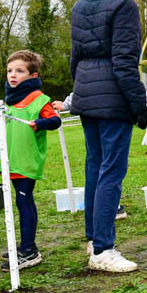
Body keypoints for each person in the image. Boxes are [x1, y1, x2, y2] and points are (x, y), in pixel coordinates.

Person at [70, 0, 147, 272]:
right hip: (114, 98)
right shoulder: (124, 5)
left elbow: (75, 60)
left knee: (94, 167)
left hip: (87, 96)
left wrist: (83, 91)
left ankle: (93, 240)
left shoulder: (80, 5)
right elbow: (125, 63)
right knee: (111, 171)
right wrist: (139, 105)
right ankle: (103, 248)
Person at [0, 50, 61, 271]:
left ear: (32, 75)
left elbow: (55, 120)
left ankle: (29, 250)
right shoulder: (9, 100)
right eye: (9, 70)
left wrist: (39, 124)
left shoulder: (38, 98)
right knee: (20, 201)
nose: (12, 75)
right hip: (11, 158)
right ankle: (26, 246)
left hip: (27, 159)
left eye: (19, 71)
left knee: (24, 201)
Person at [53, 93, 129, 221]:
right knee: (106, 164)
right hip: (109, 112)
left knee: (101, 165)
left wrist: (67, 104)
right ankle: (107, 207)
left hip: (97, 114)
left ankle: (107, 208)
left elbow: (83, 87)